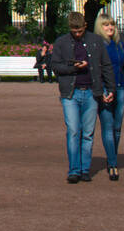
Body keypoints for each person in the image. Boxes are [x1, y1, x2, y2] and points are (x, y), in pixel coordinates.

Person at [49, 11, 115, 183]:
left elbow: (106, 65)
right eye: (74, 31)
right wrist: (74, 68)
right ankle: (74, 170)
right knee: (73, 131)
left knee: (88, 133)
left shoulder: (95, 41)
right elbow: (55, 65)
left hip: (92, 91)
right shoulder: (62, 42)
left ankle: (85, 169)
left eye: (79, 31)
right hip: (70, 92)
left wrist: (111, 88)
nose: (77, 34)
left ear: (85, 26)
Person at [95, 13, 124, 181]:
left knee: (117, 128)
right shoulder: (97, 44)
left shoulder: (119, 44)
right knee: (107, 126)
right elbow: (96, 70)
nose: (109, 28)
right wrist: (102, 89)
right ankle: (112, 164)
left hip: (121, 89)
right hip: (105, 89)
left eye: (111, 24)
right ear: (100, 27)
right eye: (106, 25)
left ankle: (112, 157)